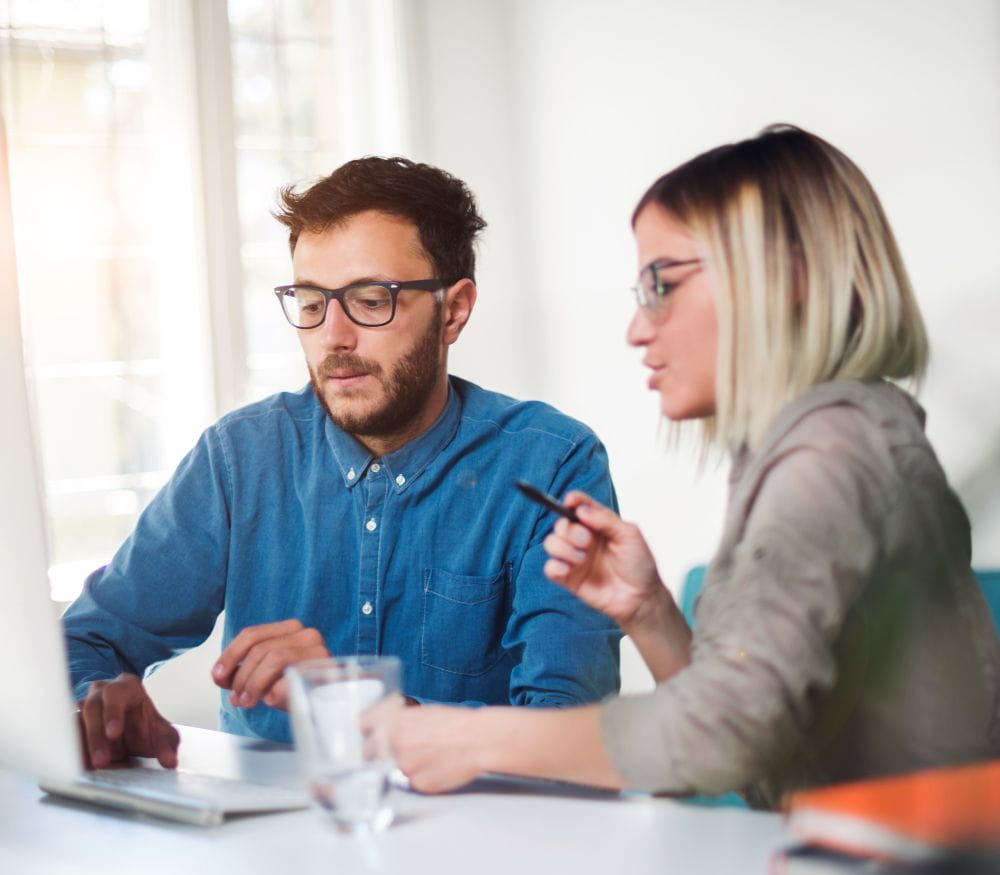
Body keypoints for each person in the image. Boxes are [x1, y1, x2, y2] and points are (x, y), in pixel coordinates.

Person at [383, 125, 1000, 809]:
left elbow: (721, 736)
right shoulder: (824, 437)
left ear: (788, 275)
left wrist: (471, 739)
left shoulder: (831, 455)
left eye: (662, 284)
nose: (637, 328)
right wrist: (648, 611)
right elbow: (759, 748)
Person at [65, 156, 621, 770]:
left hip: (473, 850)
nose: (333, 337)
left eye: (370, 300)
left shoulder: (551, 464)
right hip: (267, 850)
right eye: (310, 302)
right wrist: (98, 704)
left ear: (454, 311)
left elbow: (577, 742)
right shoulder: (240, 459)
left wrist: (355, 702)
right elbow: (86, 639)